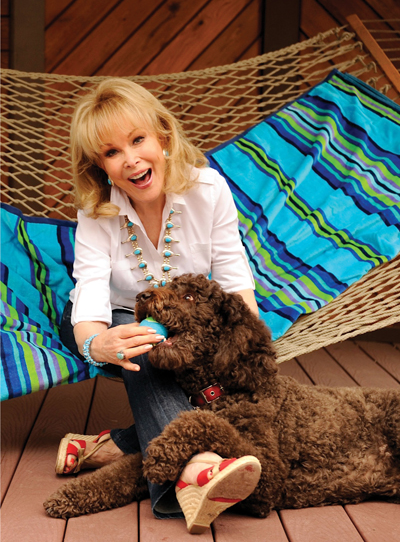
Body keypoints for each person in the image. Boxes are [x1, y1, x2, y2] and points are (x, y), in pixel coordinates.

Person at [57, 78, 261, 534]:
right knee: (148, 342)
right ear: (99, 166)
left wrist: (245, 348)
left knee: (215, 371)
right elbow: (88, 299)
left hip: (186, 323)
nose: (130, 159)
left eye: (138, 140)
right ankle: (192, 471)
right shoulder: (96, 212)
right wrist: (97, 344)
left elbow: (235, 284)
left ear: (163, 137)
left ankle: (120, 443)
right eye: (111, 152)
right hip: (112, 323)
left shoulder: (209, 190)